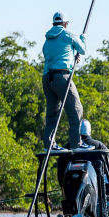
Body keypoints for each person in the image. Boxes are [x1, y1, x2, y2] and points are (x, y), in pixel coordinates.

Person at [42, 11, 86, 150]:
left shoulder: (47, 40)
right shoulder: (68, 34)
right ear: (65, 24)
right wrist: (83, 38)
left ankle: (49, 144)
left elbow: (53, 55)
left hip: (47, 79)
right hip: (62, 77)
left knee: (52, 114)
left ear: (53, 24)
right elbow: (83, 49)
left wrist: (72, 57)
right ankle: (77, 144)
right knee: (76, 110)